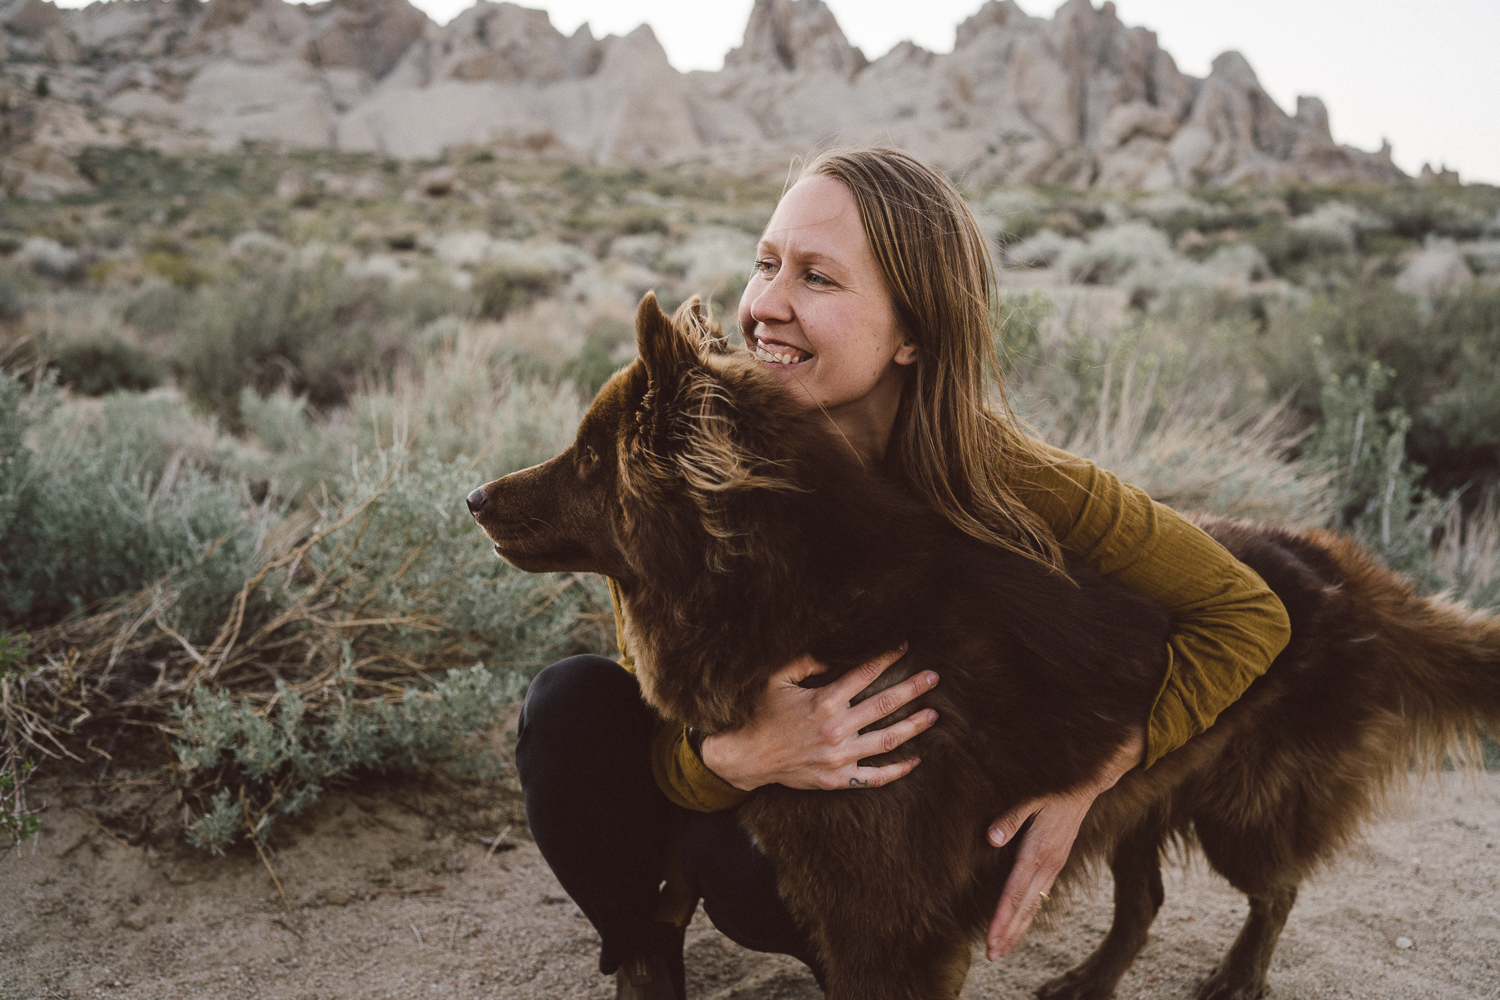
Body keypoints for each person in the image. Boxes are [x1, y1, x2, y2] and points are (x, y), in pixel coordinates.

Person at [515, 147, 1291, 1000]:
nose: (765, 306)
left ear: (914, 332)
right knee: (571, 707)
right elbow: (662, 703)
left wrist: (1098, 774)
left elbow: (1246, 613)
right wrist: (738, 757)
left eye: (817, 278)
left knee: (734, 864)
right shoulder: (710, 450)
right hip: (755, 777)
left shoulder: (1008, 476)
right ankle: (642, 950)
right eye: (765, 264)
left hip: (890, 819)